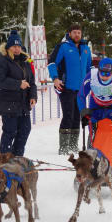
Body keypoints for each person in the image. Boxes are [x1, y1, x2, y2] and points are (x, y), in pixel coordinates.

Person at [47, 24, 92, 155]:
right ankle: (64, 147)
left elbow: (89, 67)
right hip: (65, 87)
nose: (77, 35)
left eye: (79, 32)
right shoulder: (63, 47)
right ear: (69, 33)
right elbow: (51, 63)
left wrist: (91, 82)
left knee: (77, 116)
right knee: (68, 115)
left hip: (81, 89)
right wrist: (55, 78)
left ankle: (73, 145)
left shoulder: (85, 49)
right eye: (74, 32)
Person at [0, 30, 37, 156]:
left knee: (25, 130)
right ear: (8, 47)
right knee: (10, 131)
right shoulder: (1, 62)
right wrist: (18, 84)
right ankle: (4, 158)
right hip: (8, 103)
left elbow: (32, 82)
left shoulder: (25, 62)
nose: (16, 49)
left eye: (18, 46)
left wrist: (33, 96)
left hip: (23, 104)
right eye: (14, 46)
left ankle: (17, 156)